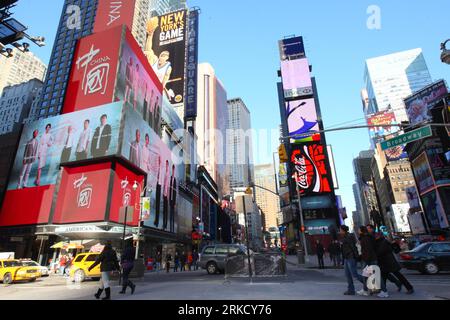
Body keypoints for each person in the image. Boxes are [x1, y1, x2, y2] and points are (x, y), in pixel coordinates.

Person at [374, 232, 414, 297]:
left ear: (379, 236)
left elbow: (380, 252)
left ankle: (409, 287)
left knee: (398, 275)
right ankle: (383, 290)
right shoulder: (381, 242)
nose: (375, 237)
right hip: (385, 262)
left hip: (389, 262)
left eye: (376, 236)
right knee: (384, 276)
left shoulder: (383, 242)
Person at [340, 225, 365, 296]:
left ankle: (368, 284)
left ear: (344, 230)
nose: (340, 231)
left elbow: (353, 247)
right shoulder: (344, 237)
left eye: (341, 230)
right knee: (348, 275)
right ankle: (351, 290)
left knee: (354, 274)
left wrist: (356, 256)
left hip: (351, 257)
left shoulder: (349, 236)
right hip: (346, 258)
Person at [357, 226, 378, 296]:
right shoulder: (367, 237)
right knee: (367, 276)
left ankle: (383, 291)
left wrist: (366, 260)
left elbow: (368, 250)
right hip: (369, 259)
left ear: (362, 231)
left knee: (371, 276)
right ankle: (366, 290)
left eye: (359, 230)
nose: (358, 231)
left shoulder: (366, 238)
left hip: (369, 259)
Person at [153, 156, 162, 227]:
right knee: (156, 204)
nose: (159, 161)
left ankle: (157, 221)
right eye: (158, 160)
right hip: (156, 185)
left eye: (159, 160)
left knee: (158, 204)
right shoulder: (157, 168)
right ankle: (156, 220)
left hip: (160, 186)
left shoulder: (162, 169)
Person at [169, 164, 177, 231]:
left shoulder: (174, 180)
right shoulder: (170, 178)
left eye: (174, 170)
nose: (173, 171)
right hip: (169, 199)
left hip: (173, 200)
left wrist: (175, 202)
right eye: (173, 169)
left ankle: (172, 229)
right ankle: (169, 228)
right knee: (169, 214)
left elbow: (175, 192)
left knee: (172, 215)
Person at [162, 160, 170, 230]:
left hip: (167, 195)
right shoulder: (165, 173)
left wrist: (168, 195)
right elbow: (164, 184)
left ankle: (165, 225)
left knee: (166, 211)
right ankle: (164, 225)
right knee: (164, 211)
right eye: (166, 165)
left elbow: (168, 186)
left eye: (167, 165)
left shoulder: (168, 174)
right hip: (164, 194)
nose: (166, 166)